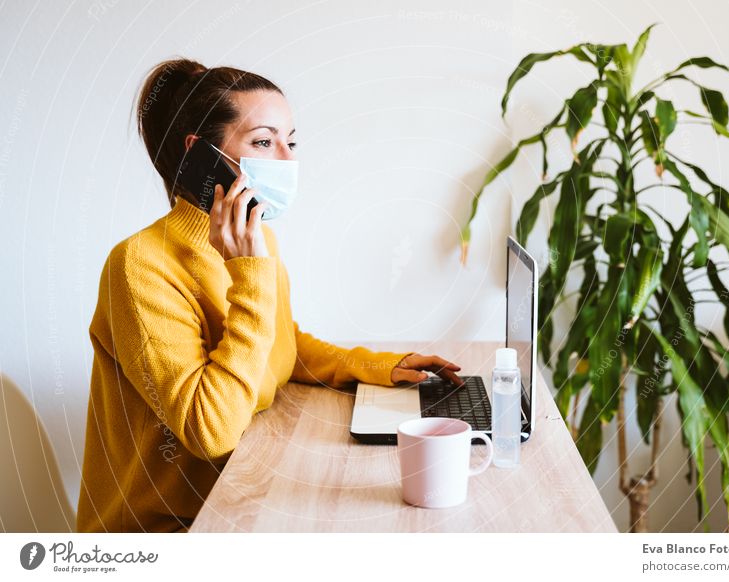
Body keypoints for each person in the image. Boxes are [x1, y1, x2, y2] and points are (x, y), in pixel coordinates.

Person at [76, 58, 464, 532]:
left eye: (290, 141)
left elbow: (277, 346)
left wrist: (378, 367)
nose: (287, 159)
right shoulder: (141, 266)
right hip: (170, 532)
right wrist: (251, 272)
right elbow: (210, 430)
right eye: (263, 141)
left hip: (241, 501)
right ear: (201, 155)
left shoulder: (256, 243)